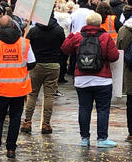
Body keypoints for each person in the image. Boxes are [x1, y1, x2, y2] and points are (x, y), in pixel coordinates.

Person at [61, 12, 119, 148]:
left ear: (86, 23)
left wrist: (71, 35)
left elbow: (64, 49)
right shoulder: (105, 37)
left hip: (82, 79)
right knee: (103, 110)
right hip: (102, 80)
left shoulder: (78, 37)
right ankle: (102, 139)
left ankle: (84, 138)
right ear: (99, 23)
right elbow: (114, 56)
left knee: (84, 108)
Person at [0, 16, 36, 159]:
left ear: (0, 28)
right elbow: (32, 63)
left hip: (1, 87)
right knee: (15, 119)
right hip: (19, 88)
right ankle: (11, 149)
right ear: (13, 26)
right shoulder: (24, 43)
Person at [21, 12, 65, 135]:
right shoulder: (59, 30)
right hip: (53, 64)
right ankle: (46, 123)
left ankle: (27, 121)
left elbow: (26, 46)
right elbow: (63, 45)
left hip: (36, 65)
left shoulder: (34, 30)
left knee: (32, 94)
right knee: (49, 95)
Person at [116, 17, 132, 142]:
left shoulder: (123, 30)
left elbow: (118, 51)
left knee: (130, 102)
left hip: (129, 72)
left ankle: (131, 132)